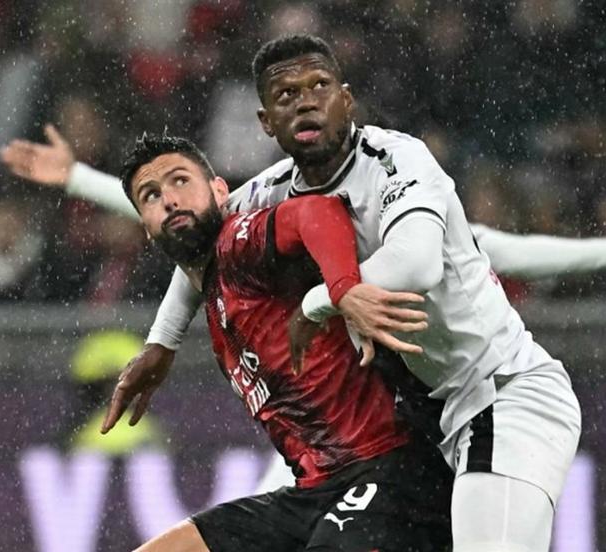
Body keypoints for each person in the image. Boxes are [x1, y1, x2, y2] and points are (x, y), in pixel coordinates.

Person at [1, 36, 606, 552]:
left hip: (503, 394)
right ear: (265, 125)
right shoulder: (270, 191)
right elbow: (195, 232)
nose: (303, 101)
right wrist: (160, 343)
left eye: (317, 87)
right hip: (432, 422)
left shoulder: (399, 161)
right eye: (284, 96)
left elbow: (419, 262)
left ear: (347, 99)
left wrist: (326, 299)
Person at [117, 132, 452, 552]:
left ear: (221, 191)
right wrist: (161, 342)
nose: (169, 200)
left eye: (180, 181)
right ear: (145, 229)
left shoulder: (238, 245)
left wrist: (343, 290)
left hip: (390, 468)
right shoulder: (214, 292)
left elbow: (317, 212)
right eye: (150, 196)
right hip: (317, 490)